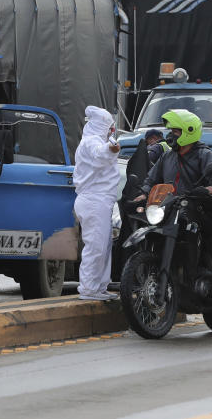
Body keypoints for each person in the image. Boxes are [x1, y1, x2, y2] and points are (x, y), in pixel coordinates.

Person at [134, 109, 212, 316]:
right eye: (171, 131)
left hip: (197, 210)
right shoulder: (167, 157)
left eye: (176, 131)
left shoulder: (203, 154)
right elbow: (151, 179)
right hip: (170, 208)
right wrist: (143, 193)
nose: (171, 135)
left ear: (189, 132)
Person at [73, 106, 121, 301]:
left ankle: (99, 287)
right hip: (94, 200)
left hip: (99, 201)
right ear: (103, 127)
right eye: (110, 127)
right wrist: (110, 148)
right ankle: (88, 289)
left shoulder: (92, 141)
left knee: (103, 246)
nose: (112, 131)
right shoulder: (91, 143)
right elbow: (100, 153)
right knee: (96, 247)